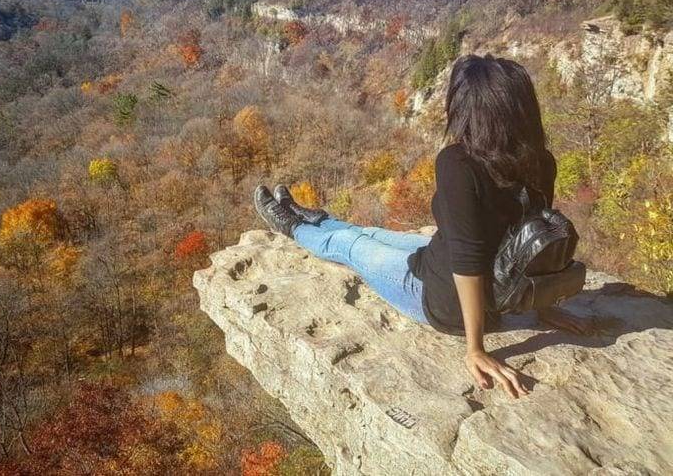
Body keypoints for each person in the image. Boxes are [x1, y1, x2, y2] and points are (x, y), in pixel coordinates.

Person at [253, 54, 595, 400]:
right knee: (368, 232)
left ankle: (292, 225)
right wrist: (543, 306)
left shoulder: (459, 163)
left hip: (440, 298)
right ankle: (317, 217)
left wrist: (474, 348)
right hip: (439, 260)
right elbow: (537, 241)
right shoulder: (541, 161)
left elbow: (468, 260)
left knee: (349, 246)